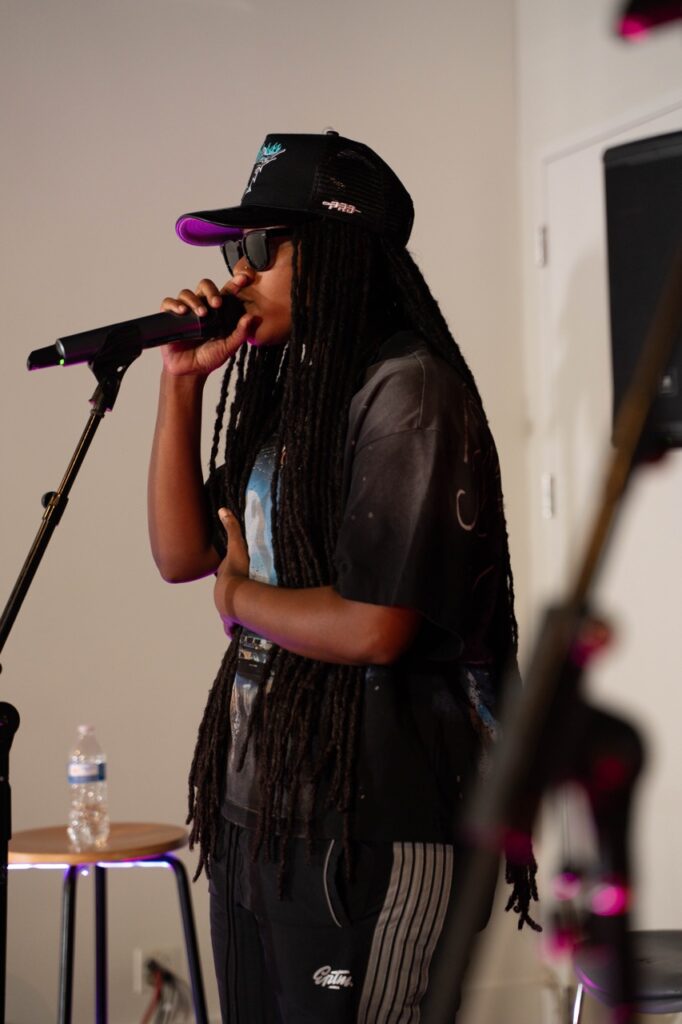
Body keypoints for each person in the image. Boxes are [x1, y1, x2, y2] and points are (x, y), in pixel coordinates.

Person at [148, 130, 537, 1024]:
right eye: (229, 250)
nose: (235, 272)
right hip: (261, 818)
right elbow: (180, 555)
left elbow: (375, 626)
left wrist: (240, 600)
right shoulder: (289, 393)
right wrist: (179, 389)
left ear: (331, 248)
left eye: (258, 246)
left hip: (371, 830)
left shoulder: (408, 391)